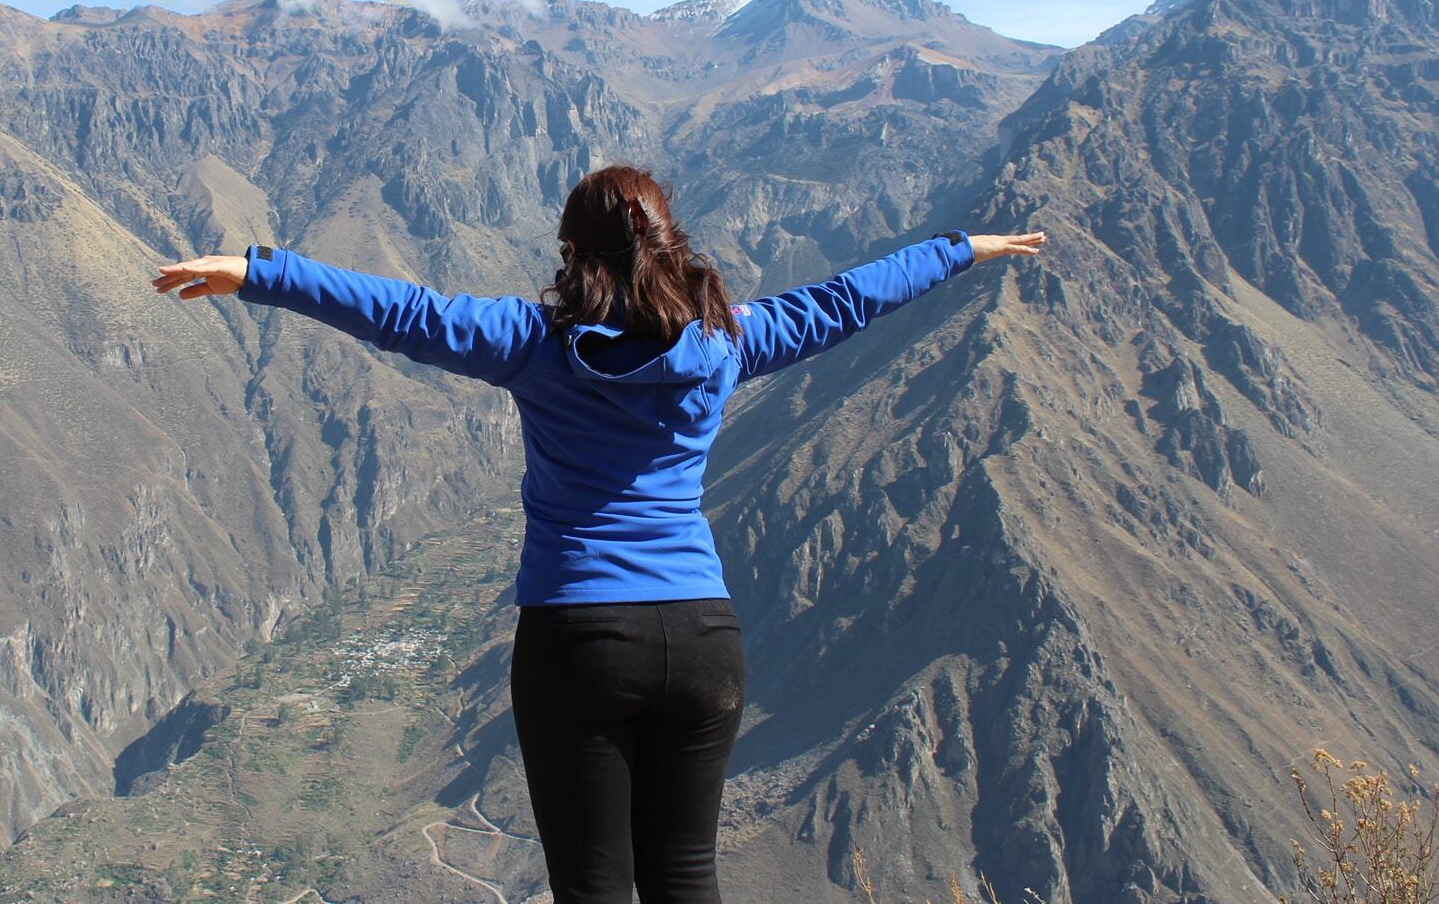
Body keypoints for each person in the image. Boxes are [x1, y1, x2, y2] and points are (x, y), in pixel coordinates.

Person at [152, 164, 1046, 903]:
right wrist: (959, 249)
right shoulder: (729, 340)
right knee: (687, 877)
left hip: (579, 639)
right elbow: (846, 301)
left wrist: (258, 273)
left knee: (592, 887)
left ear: (572, 253)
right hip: (704, 638)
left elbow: (405, 314)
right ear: (669, 246)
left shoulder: (534, 342)